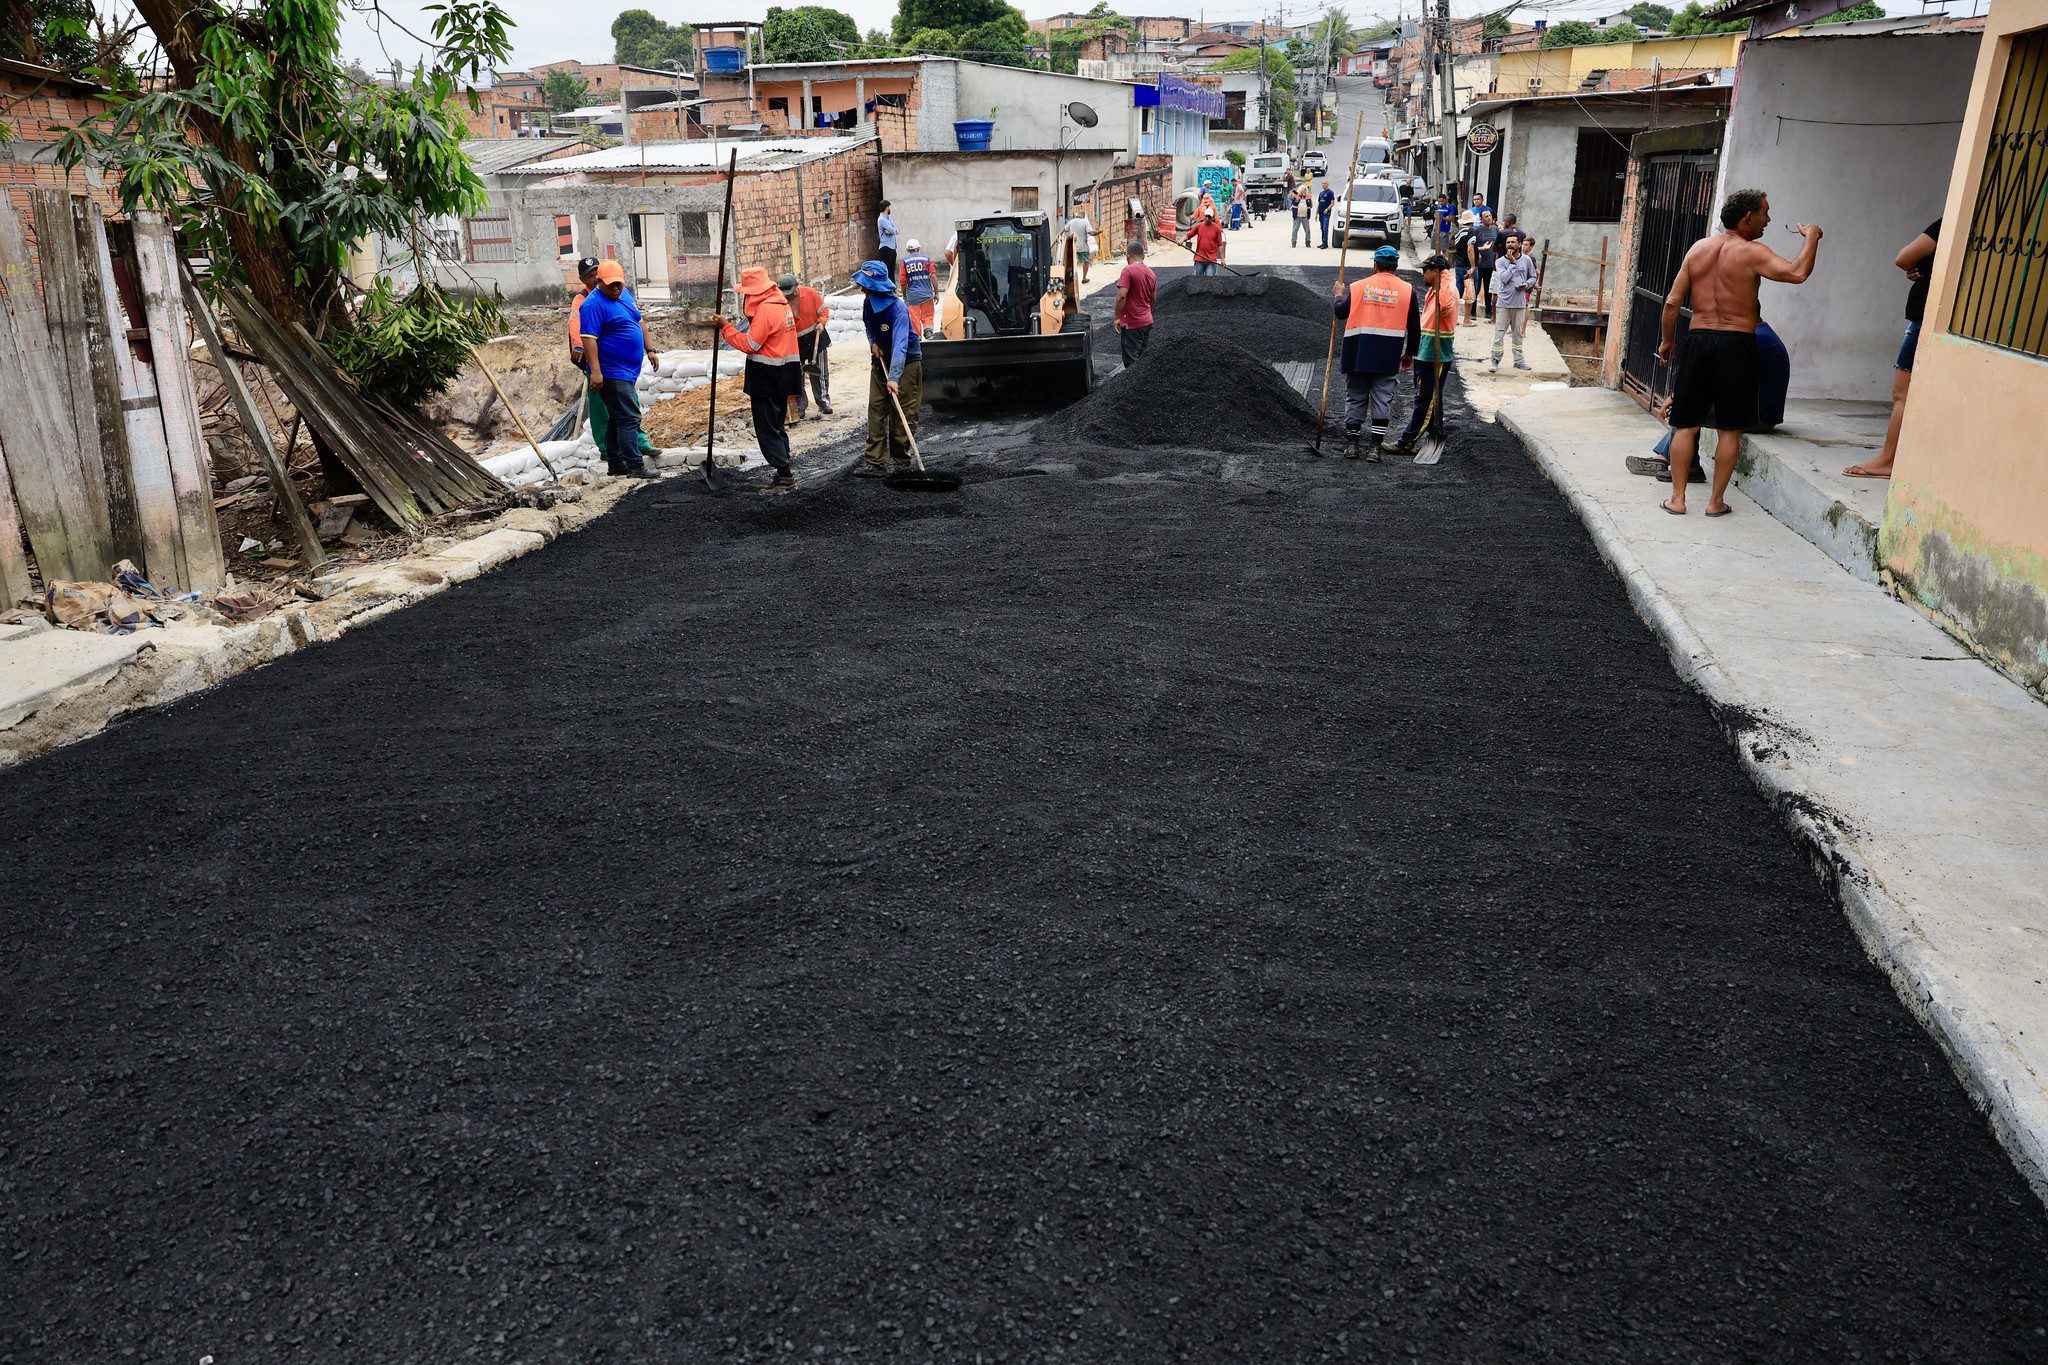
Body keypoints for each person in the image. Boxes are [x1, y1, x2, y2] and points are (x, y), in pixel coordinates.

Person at [1658, 188, 1821, 516]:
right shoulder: (1753, 252)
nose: (1768, 219)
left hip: (1699, 339)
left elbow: (1673, 302)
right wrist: (1812, 238)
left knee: (1686, 423)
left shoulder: (1698, 249)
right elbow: (1797, 273)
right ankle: (1715, 503)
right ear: (1747, 218)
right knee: (1729, 428)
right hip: (1736, 343)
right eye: (1764, 213)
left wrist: (1667, 340)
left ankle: (1677, 500)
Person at [1846, 218, 1940, 479]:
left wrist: (1916, 265)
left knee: (1903, 393)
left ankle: (1887, 460)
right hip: (1951, 320)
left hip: (1924, 317)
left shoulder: (1948, 224)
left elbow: (1903, 258)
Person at [715, 266, 801, 492]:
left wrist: (727, 328)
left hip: (768, 377)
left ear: (753, 292)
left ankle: (784, 475)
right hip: (784, 375)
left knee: (767, 428)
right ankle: (784, 472)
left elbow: (750, 344)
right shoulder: (782, 306)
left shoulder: (766, 310)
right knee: (776, 425)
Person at [1330, 244, 1419, 461]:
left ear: (1375, 265)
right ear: (1396, 266)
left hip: (1358, 350)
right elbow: (1415, 328)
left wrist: (1339, 295)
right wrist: (1409, 354)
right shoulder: (1408, 291)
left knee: (1356, 396)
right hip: (1388, 352)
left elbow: (1340, 312)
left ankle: (1352, 446)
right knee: (1382, 399)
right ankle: (1375, 449)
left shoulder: (1359, 286)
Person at [569, 257, 657, 464]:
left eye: (618, 282)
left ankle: (623, 455)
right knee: (614, 412)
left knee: (623, 412)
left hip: (626, 369)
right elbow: (580, 330)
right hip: (606, 367)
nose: (615, 287)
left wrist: (650, 348)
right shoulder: (588, 302)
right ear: (588, 280)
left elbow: (639, 321)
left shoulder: (623, 295)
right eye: (590, 276)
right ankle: (624, 457)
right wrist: (580, 351)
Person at [853, 258, 921, 477]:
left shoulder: (898, 309)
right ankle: (875, 461)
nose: (860, 287)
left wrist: (894, 378)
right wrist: (872, 343)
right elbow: (868, 326)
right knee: (876, 408)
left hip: (906, 361)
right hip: (880, 359)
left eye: (864, 284)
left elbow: (900, 346)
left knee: (903, 410)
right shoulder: (868, 302)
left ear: (875, 286)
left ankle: (901, 461)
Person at [1390, 252, 1459, 456]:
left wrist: (1442, 279)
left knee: (1425, 400)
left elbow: (1446, 307)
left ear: (1436, 272)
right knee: (1429, 398)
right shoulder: (1433, 290)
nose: (1423, 275)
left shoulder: (1446, 289)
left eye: (1425, 271)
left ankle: (1407, 440)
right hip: (1425, 351)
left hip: (1435, 354)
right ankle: (1436, 432)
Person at [782, 273, 833, 419]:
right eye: (786, 294)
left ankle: (823, 402)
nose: (789, 296)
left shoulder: (810, 293)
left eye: (791, 293)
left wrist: (821, 322)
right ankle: (801, 405)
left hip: (815, 334)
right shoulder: (781, 301)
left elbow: (824, 310)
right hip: (794, 340)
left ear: (796, 287)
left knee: (819, 371)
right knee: (797, 374)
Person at [1489, 231, 1538, 370]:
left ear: (1520, 244)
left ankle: (1518, 361)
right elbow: (1503, 279)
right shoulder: (1500, 261)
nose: (1510, 244)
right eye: (1508, 242)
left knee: (1518, 335)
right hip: (1504, 303)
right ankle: (1495, 360)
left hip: (1520, 304)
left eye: (1513, 242)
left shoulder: (1527, 260)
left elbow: (1533, 277)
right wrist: (1512, 263)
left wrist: (1526, 285)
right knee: (1499, 333)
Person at [1112, 238, 1156, 369]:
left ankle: (1134, 388)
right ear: (1143, 256)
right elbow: (1153, 298)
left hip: (1132, 323)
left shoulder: (1128, 271)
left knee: (1131, 364)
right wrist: (1147, 312)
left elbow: (1121, 296)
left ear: (1127, 256)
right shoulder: (1151, 273)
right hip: (1147, 321)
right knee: (1143, 359)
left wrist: (1116, 318)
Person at [1466, 209, 1501, 323]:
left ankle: (1488, 312)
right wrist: (1481, 250)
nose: (1489, 218)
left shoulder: (1496, 230)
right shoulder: (1477, 230)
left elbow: (1498, 245)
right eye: (1486, 217)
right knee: (1475, 289)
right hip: (1478, 265)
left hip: (1491, 265)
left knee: (1488, 290)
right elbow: (1472, 247)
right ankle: (1472, 313)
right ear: (1481, 219)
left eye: (1490, 216)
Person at [898, 238, 938, 335]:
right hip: (927, 293)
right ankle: (928, 329)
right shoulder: (927, 259)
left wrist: (904, 295)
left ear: (908, 250)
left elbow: (903, 281)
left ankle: (917, 337)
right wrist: (936, 293)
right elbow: (933, 276)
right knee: (928, 314)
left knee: (914, 317)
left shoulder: (904, 261)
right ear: (918, 248)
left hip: (913, 295)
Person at [1184, 205, 1226, 277]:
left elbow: (1220, 245)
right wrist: (1181, 240)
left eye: (1209, 217)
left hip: (1211, 260)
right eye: (1206, 216)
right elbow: (1188, 235)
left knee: (1209, 282)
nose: (1207, 218)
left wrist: (1222, 259)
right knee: (1197, 280)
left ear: (1212, 218)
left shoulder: (1216, 229)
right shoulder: (1199, 226)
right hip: (1199, 259)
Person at [1065, 210, 1095, 283]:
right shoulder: (1085, 222)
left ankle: (1071, 276)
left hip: (1074, 247)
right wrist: (1098, 232)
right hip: (1084, 247)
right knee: (1086, 261)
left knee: (1074, 262)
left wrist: (1058, 235)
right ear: (1083, 215)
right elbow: (1090, 232)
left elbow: (1065, 229)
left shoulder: (1071, 222)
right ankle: (1084, 278)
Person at [876, 199, 898, 277]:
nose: (889, 208)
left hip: (892, 247)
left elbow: (896, 230)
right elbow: (893, 230)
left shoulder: (888, 218)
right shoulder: (882, 219)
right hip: (886, 248)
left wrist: (892, 230)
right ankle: (886, 289)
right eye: (889, 207)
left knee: (891, 271)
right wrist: (893, 230)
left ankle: (892, 288)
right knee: (886, 272)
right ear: (886, 208)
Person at [1317, 181, 1336, 249]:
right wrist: (1316, 213)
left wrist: (1327, 209)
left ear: (1328, 184)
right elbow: (1319, 203)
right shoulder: (1321, 193)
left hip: (1326, 213)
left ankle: (1324, 243)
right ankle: (1323, 242)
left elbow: (1332, 203)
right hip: (1320, 213)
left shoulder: (1330, 192)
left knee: (1325, 228)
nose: (1323, 184)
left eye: (1325, 183)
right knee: (1322, 228)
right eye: (1322, 183)